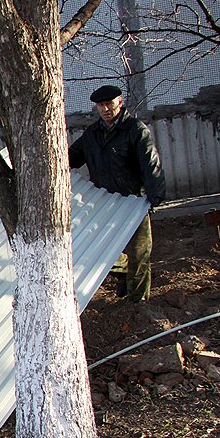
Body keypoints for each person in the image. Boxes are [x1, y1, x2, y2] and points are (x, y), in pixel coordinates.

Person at [68, 85, 166, 301]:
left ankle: (138, 304)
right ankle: (124, 273)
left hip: (133, 202)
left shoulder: (135, 130)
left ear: (119, 103)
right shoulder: (92, 134)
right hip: (104, 203)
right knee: (100, 253)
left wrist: (154, 197)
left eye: (109, 104)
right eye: (100, 105)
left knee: (139, 254)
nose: (105, 109)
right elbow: (69, 158)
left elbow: (151, 164)